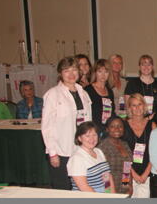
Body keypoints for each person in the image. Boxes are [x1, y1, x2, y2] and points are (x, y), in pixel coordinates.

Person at [42, 57, 92, 190]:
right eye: (66, 71)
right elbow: (47, 127)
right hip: (62, 151)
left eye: (74, 70)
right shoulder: (52, 94)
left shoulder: (84, 93)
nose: (71, 74)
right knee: (63, 190)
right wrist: (53, 153)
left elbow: (88, 124)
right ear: (60, 73)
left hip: (81, 150)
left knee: (80, 188)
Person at [122, 93, 156, 198]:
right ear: (129, 108)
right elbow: (121, 153)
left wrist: (146, 173)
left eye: (139, 104)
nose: (137, 108)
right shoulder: (123, 125)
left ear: (144, 106)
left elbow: (155, 153)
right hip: (127, 172)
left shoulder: (152, 125)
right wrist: (133, 174)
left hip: (146, 173)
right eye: (134, 105)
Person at [67, 121, 115, 193]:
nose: (92, 139)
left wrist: (111, 195)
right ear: (79, 138)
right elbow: (84, 187)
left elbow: (106, 177)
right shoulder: (77, 158)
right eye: (87, 136)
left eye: (94, 135)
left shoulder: (98, 151)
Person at [97, 116, 133, 196]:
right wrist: (109, 191)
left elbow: (127, 166)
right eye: (112, 126)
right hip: (108, 189)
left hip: (123, 188)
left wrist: (128, 186)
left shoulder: (124, 144)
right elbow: (103, 172)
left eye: (120, 126)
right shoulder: (103, 146)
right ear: (107, 129)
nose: (117, 129)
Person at [85, 59, 115, 135]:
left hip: (107, 130)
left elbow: (112, 112)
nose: (103, 75)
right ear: (95, 73)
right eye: (100, 71)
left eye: (106, 72)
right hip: (92, 130)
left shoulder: (109, 91)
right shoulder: (88, 90)